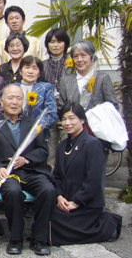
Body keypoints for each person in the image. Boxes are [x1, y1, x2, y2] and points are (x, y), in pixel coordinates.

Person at [0, 85, 56, 255]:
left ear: (23, 102)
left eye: (18, 98)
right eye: (10, 98)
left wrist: (27, 159)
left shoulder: (33, 123)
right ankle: (16, 238)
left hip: (30, 171)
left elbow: (43, 151)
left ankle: (39, 239)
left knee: (48, 190)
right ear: (2, 101)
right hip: (7, 174)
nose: (14, 102)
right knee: (13, 192)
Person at [50, 102, 122, 245]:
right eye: (64, 119)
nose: (67, 123)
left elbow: (94, 179)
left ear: (82, 120)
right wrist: (59, 197)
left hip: (85, 204)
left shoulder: (92, 144)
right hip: (66, 200)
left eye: (72, 118)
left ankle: (108, 226)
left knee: (53, 231)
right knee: (44, 218)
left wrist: (76, 202)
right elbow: (56, 176)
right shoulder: (62, 146)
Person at [58, 40, 118, 113]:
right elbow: (61, 108)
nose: (79, 60)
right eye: (75, 56)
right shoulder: (66, 81)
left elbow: (113, 106)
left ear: (92, 57)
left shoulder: (102, 78)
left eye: (83, 55)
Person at [43, 28, 70, 169]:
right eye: (52, 42)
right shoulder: (43, 65)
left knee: (67, 149)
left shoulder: (71, 65)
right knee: (50, 153)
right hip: (48, 113)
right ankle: (53, 184)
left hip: (67, 112)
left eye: (59, 42)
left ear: (65, 44)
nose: (56, 45)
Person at [16, 56, 58, 130]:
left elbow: (51, 114)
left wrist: (35, 128)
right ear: (20, 71)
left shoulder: (45, 88)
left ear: (39, 73)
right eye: (27, 67)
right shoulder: (12, 88)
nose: (30, 71)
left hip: (38, 132)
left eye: (35, 68)